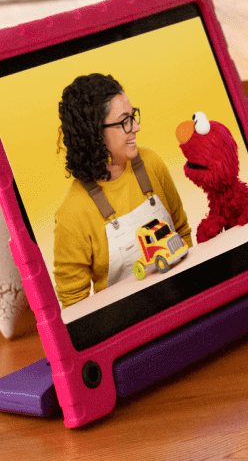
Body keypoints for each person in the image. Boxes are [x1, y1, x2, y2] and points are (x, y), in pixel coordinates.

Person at [54, 74, 192, 309]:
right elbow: (75, 306)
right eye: (125, 121)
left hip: (183, 298)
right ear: (95, 134)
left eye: (133, 116)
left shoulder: (151, 163)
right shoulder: (73, 214)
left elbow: (181, 232)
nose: (136, 127)